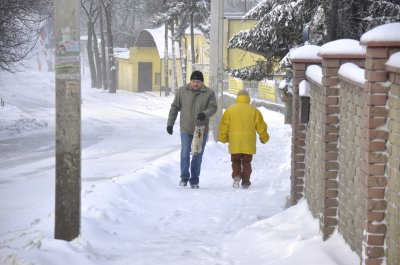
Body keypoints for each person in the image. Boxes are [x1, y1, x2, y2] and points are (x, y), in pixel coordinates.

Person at [167, 70, 218, 189]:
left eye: (198, 82)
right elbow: (174, 108)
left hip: (200, 129)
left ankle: (194, 180)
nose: (195, 84)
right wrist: (170, 124)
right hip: (186, 128)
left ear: (202, 83)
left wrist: (204, 114)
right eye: (193, 81)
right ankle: (184, 178)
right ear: (190, 81)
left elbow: (213, 107)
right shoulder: (182, 91)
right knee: (185, 153)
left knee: (197, 155)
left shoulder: (209, 93)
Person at [218, 89, 269, 189]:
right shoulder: (254, 110)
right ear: (248, 98)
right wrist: (264, 137)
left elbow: (224, 126)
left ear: (237, 98)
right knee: (247, 163)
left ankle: (236, 176)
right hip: (248, 143)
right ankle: (246, 181)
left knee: (235, 161)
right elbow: (261, 126)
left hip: (235, 143)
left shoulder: (230, 110)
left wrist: (223, 137)